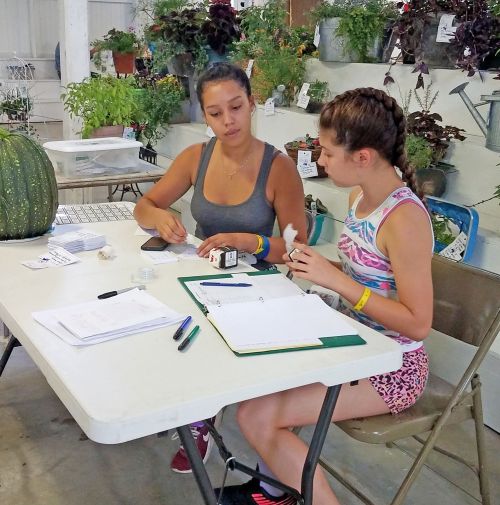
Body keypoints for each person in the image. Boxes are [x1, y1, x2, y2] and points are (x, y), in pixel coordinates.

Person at [216, 87, 434, 505]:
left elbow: (418, 322)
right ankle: (274, 488)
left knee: (256, 416)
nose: (319, 160)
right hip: (353, 344)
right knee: (253, 381)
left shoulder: (404, 218)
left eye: (328, 153)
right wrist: (319, 267)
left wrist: (337, 282)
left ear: (364, 158)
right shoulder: (359, 197)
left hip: (395, 367)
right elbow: (363, 277)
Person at [133, 62, 307, 473]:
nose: (228, 121)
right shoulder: (197, 157)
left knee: (200, 330)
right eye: (215, 113)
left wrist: (252, 241)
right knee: (151, 313)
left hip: (254, 286)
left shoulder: (278, 168)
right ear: (204, 115)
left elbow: (298, 249)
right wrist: (159, 219)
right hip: (198, 273)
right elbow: (145, 205)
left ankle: (199, 415)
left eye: (236, 107)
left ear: (252, 103)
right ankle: (192, 407)